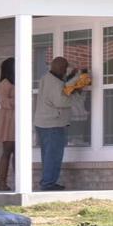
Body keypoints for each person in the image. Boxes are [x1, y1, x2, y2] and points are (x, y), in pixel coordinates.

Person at [33, 56, 78, 191]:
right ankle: (48, 183)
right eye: (65, 69)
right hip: (53, 124)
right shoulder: (55, 83)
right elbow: (61, 101)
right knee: (53, 156)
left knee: (47, 155)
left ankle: (47, 181)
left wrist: (71, 78)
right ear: (60, 68)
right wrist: (74, 92)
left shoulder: (46, 78)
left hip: (43, 122)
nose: (65, 71)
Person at [0, 57, 15, 191]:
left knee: (18, 154)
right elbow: (3, 101)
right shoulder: (5, 83)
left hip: (17, 120)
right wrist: (19, 100)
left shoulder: (16, 82)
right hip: (9, 121)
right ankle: (2, 183)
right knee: (7, 152)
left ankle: (18, 181)